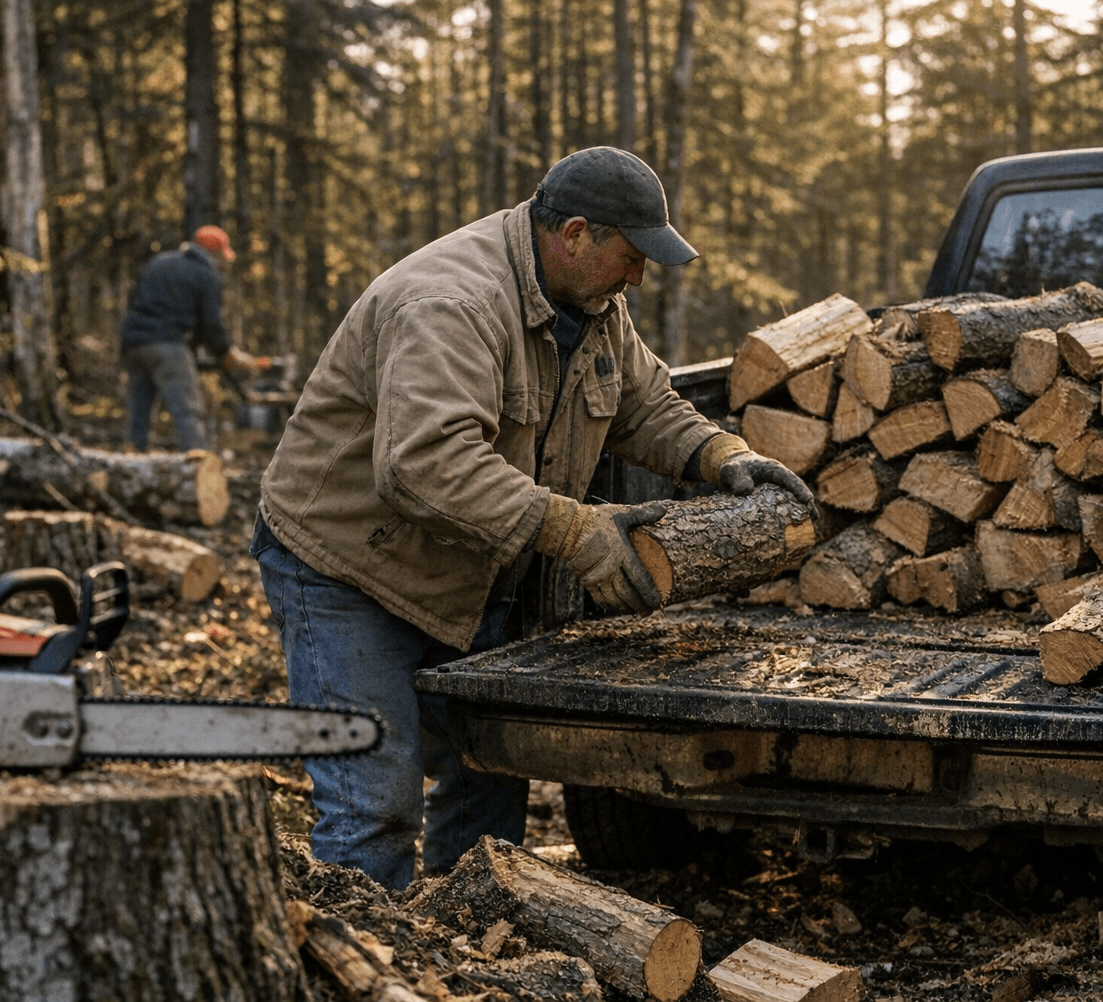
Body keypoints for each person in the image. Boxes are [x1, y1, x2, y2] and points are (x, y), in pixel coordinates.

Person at [251, 146, 815, 890]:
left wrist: (719, 455)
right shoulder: (450, 303)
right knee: (374, 809)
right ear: (575, 234)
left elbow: (645, 404)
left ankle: (468, 953)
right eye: (631, 256)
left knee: (489, 776)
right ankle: (367, 965)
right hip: (351, 570)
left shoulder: (591, 305)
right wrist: (573, 531)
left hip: (471, 562)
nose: (639, 277)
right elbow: (426, 465)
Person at [119, 224, 256, 451]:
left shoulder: (159, 262)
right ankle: (196, 468)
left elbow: (135, 301)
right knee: (188, 413)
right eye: (222, 255)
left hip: (133, 343)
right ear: (214, 252)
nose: (222, 261)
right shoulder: (206, 275)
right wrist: (226, 352)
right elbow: (211, 324)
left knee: (138, 414)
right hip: (167, 345)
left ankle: (130, 466)